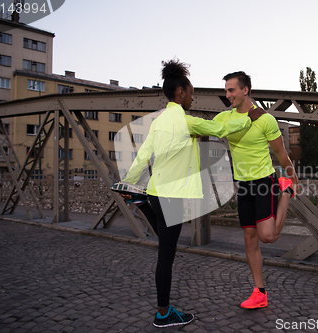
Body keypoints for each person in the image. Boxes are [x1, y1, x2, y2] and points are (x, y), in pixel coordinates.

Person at [120, 60, 264, 327]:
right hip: (173, 196)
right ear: (180, 93)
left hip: (155, 193)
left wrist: (127, 182)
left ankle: (140, 202)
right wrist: (248, 117)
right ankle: (163, 313)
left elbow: (143, 156)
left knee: (165, 239)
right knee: (166, 254)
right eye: (191, 91)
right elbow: (220, 129)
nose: (193, 95)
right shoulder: (186, 121)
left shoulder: (158, 122)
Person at [213, 71, 298, 309]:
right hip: (243, 186)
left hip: (264, 182)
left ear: (245, 90)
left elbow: (281, 153)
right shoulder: (224, 119)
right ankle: (259, 293)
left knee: (268, 236)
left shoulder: (265, 120)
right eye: (226, 90)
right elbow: (204, 128)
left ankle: (286, 193)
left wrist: (293, 178)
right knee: (250, 240)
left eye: (231, 90)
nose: (227, 94)